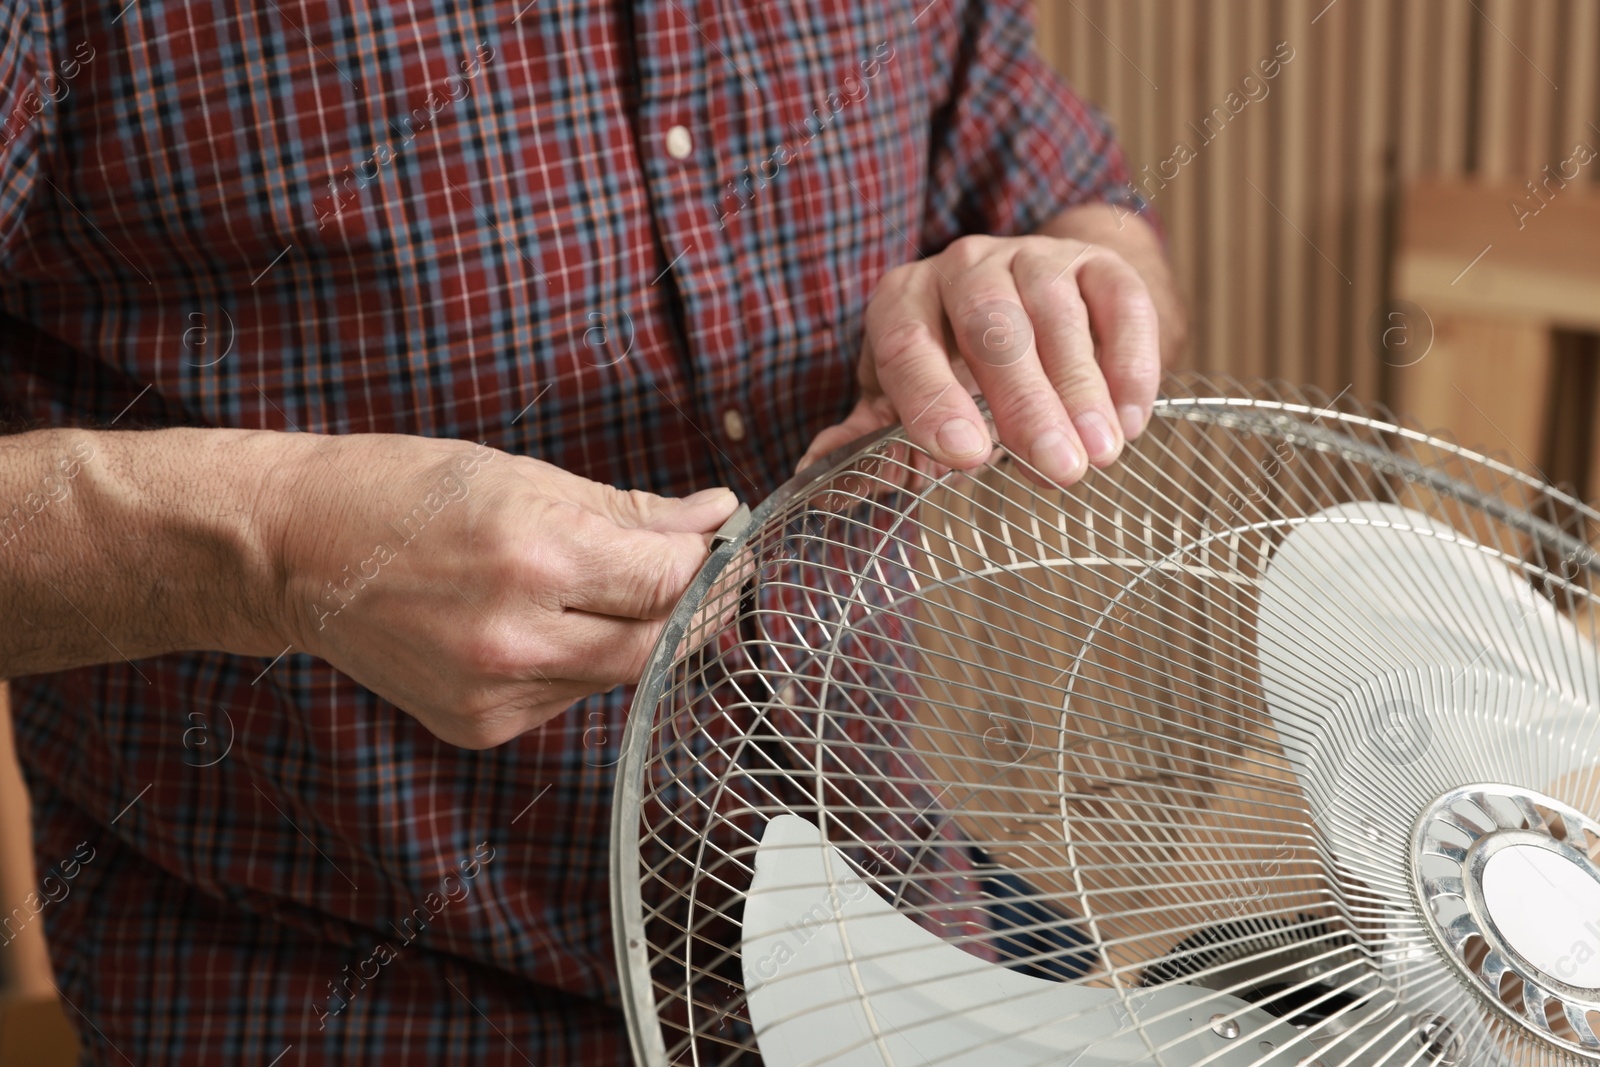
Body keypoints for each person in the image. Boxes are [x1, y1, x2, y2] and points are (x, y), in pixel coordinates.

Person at [0, 0, 1183, 1060]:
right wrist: (283, 548)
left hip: (890, 924)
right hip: (356, 991)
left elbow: (1083, 210)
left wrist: (1051, 296)